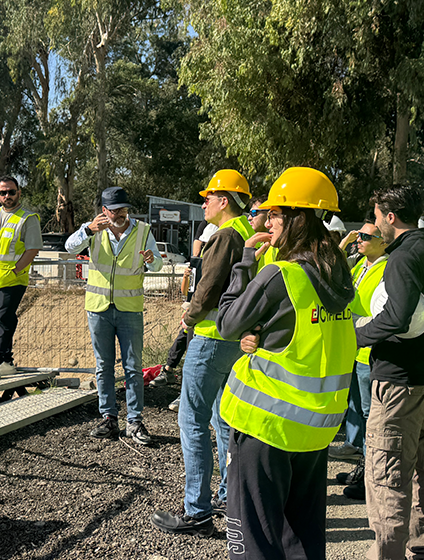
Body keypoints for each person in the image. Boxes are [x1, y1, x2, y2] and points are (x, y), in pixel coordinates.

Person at [214, 167, 356, 560]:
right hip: (315, 427)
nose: (267, 220)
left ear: (297, 218)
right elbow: (306, 331)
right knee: (304, 535)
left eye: (275, 213)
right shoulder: (338, 272)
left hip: (265, 424)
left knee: (255, 537)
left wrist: (245, 263)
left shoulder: (282, 273)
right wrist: (265, 332)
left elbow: (227, 322)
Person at [150, 170, 254, 536]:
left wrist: (189, 316)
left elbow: (207, 288)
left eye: (209, 196)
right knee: (222, 417)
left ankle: (197, 510)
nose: (204, 202)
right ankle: (228, 495)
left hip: (211, 337)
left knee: (191, 420)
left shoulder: (225, 236)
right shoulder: (246, 233)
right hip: (234, 340)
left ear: (224, 200)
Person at [347, 185, 424, 559]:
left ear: (389, 217)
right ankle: (421, 546)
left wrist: (356, 336)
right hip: (421, 378)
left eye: (374, 217)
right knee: (419, 468)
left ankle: (386, 553)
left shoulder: (403, 257)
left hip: (397, 381)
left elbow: (398, 316)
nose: (373, 225)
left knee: (387, 474)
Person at [66, 187, 163, 445]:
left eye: (124, 209)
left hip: (129, 309)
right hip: (98, 308)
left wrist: (152, 260)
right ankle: (109, 418)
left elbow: (157, 265)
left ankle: (135, 421)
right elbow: (68, 246)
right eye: (115, 210)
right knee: (103, 366)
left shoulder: (142, 231)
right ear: (104, 211)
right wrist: (88, 229)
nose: (120, 214)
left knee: (133, 367)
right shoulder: (93, 231)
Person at [330, 215, 387, 468]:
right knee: (353, 402)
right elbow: (333, 268)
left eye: (365, 236)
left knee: (368, 409)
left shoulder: (386, 268)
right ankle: (353, 444)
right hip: (352, 347)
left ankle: (369, 462)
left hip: (368, 349)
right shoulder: (360, 265)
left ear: (383, 242)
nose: (359, 240)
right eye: (358, 235)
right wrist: (343, 243)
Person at [0, 176, 42, 382]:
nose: (7, 196)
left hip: (13, 280)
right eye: (3, 193)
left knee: (2, 320)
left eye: (11, 192)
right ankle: (6, 361)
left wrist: (15, 271)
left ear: (19, 193)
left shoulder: (27, 218)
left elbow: (32, 249)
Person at [150, 221, 216, 391]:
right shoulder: (196, 264)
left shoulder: (215, 265)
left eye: (205, 244)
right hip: (192, 311)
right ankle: (169, 371)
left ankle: (176, 377)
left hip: (204, 317)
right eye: (202, 244)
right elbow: (185, 291)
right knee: (183, 339)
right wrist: (186, 277)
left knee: (189, 343)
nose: (201, 248)